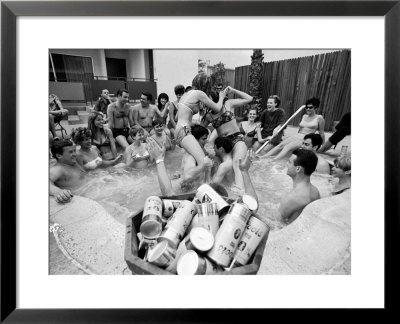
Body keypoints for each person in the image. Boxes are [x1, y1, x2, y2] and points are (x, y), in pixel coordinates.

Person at [146, 136, 258, 203]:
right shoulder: (231, 214)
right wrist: (244, 172)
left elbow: (168, 194)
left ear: (221, 149)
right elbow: (253, 205)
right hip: (232, 191)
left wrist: (159, 159)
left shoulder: (223, 165)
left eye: (214, 147)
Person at [174, 73, 227, 182]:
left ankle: (181, 177)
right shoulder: (199, 93)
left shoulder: (185, 95)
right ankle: (193, 182)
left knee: (191, 158)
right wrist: (221, 97)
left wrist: (191, 122)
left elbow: (177, 116)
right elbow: (217, 108)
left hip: (180, 131)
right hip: (184, 131)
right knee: (204, 163)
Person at [201, 86, 253, 191]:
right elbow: (200, 132)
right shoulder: (208, 116)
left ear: (215, 97)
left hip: (237, 138)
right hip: (223, 144)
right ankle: (222, 187)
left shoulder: (228, 104)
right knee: (216, 165)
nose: (207, 101)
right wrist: (204, 150)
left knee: (237, 163)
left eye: (209, 98)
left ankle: (240, 190)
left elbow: (249, 99)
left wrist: (233, 90)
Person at [279, 149, 320, 225]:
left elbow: (277, 223)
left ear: (298, 169)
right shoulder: (315, 191)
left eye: (289, 162)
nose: (286, 164)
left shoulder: (291, 198)